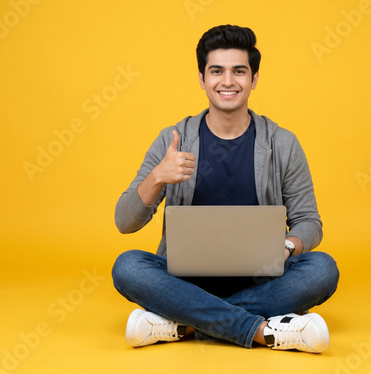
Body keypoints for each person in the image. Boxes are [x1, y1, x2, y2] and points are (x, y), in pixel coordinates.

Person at [112, 25, 339, 352]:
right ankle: (262, 330)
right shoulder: (173, 140)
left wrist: (287, 246)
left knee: (322, 269)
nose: (228, 81)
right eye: (216, 71)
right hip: (183, 281)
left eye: (239, 71)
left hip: (263, 280)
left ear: (254, 79)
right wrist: (157, 177)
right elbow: (124, 222)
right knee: (127, 266)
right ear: (203, 79)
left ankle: (186, 323)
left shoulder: (283, 143)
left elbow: (309, 223)